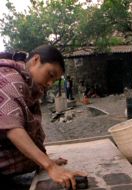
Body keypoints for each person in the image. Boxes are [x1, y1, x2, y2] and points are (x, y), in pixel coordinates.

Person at [0, 45, 86, 189]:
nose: (49, 83)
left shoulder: (29, 88)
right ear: (35, 60)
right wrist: (50, 166)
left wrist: (43, 161)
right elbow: (13, 128)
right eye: (50, 75)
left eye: (54, 80)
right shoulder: (8, 80)